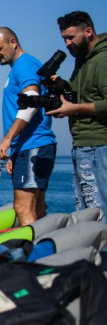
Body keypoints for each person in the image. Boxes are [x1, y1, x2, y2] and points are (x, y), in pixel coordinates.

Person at [0, 26, 58, 225]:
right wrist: (14, 151)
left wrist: (7, 141)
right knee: (37, 208)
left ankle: (31, 246)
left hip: (33, 143)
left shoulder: (25, 65)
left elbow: (31, 100)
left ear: (13, 42)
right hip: (29, 145)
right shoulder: (20, 67)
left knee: (23, 207)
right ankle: (43, 243)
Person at [48, 11, 107, 210]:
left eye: (71, 37)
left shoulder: (102, 60)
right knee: (86, 212)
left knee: (99, 212)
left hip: (100, 145)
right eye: (64, 38)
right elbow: (83, 93)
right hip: (82, 144)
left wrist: (74, 109)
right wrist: (63, 85)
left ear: (88, 31)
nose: (67, 43)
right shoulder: (82, 59)